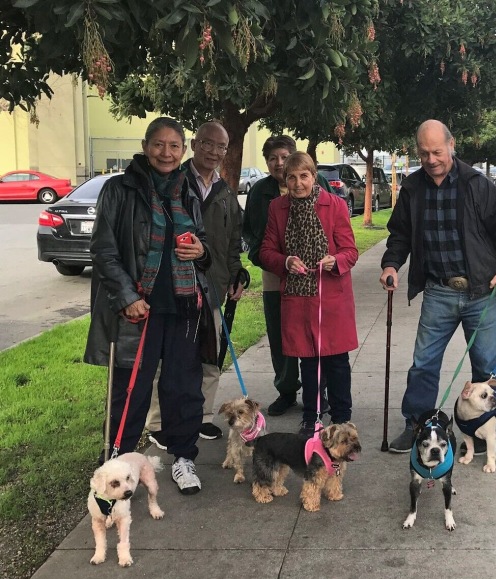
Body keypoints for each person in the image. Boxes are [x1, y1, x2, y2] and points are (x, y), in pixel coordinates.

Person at [85, 116, 216, 495]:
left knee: (183, 389)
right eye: (159, 144)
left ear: (183, 151)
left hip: (183, 308)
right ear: (145, 146)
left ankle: (184, 458)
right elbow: (104, 251)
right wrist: (127, 297)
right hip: (138, 311)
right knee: (131, 392)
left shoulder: (187, 190)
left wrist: (201, 250)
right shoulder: (118, 189)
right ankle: (117, 468)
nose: (166, 153)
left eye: (174, 146)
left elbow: (202, 244)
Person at [380, 119, 496, 454]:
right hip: (439, 292)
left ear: (451, 145)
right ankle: (416, 424)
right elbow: (399, 234)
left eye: (437, 151)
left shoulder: (476, 184)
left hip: (481, 292)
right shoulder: (413, 189)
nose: (431, 159)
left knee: (487, 368)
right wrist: (390, 264)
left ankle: (485, 430)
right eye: (424, 152)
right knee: (424, 363)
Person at [145, 121, 246, 448]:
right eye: (208, 144)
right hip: (174, 289)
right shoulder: (173, 181)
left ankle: (201, 417)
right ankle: (159, 423)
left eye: (221, 147)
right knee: (169, 359)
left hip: (213, 288)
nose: (214, 152)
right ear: (194, 144)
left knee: (209, 358)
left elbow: (232, 243)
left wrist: (236, 273)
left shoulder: (226, 191)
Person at [259, 152, 358, 437]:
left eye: (304, 176)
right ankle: (311, 416)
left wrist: (335, 260)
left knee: (337, 361)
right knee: (309, 360)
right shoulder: (277, 208)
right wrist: (286, 262)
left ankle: (342, 419)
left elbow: (350, 251)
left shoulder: (335, 205)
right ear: (285, 180)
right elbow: (266, 250)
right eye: (291, 177)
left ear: (314, 177)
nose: (298, 183)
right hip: (298, 297)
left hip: (331, 297)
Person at [242, 136, 333, 417]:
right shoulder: (261, 192)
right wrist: (270, 258)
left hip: (316, 274)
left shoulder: (320, 185)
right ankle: (286, 389)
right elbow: (252, 233)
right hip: (277, 273)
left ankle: (317, 391)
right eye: (272, 158)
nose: (278, 163)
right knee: (281, 334)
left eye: (284, 157)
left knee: (316, 333)